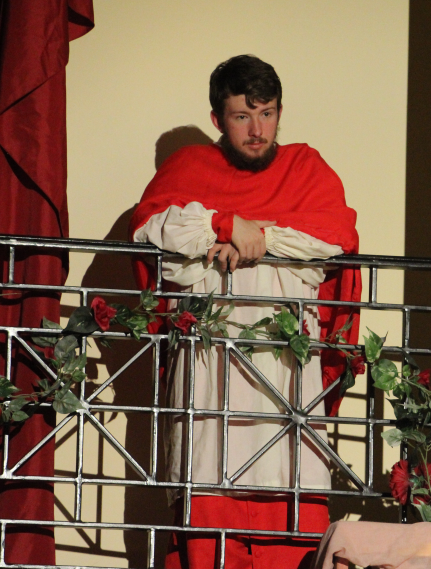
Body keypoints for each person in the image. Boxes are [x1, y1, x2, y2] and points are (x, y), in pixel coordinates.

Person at [129, 54, 362, 569]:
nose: (258, 131)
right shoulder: (188, 169)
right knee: (209, 483)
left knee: (290, 486)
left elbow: (332, 236)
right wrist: (224, 224)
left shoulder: (307, 167)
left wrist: (254, 235)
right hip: (212, 365)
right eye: (242, 116)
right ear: (218, 119)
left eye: (268, 113)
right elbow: (152, 227)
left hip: (285, 366)